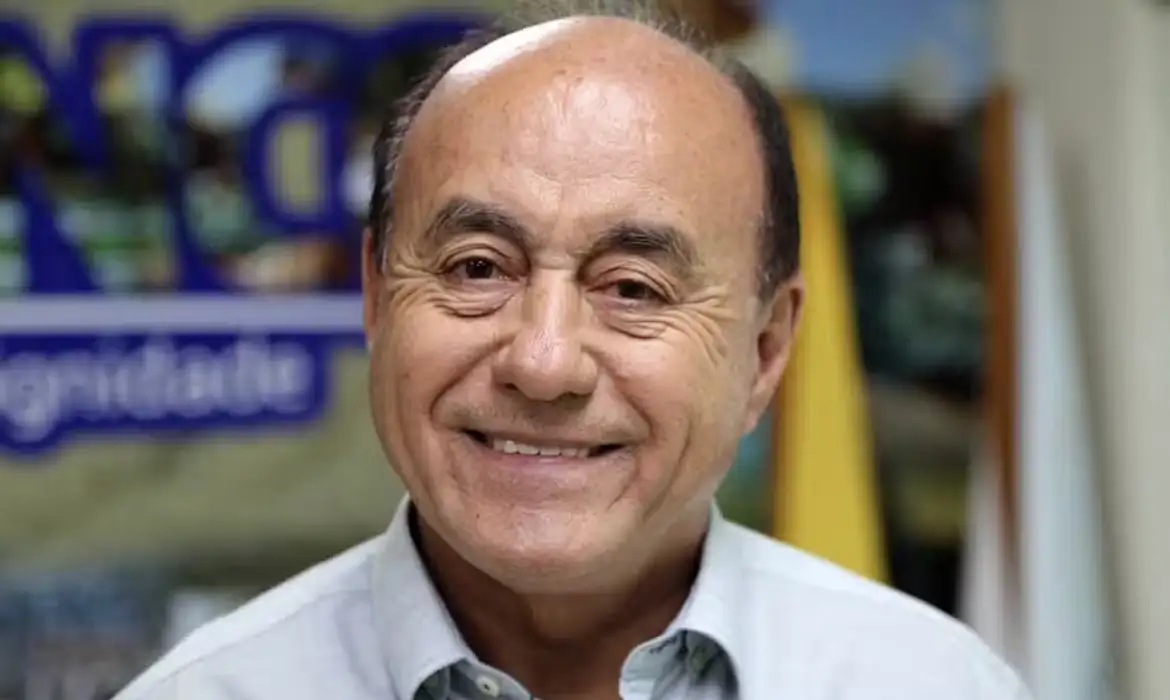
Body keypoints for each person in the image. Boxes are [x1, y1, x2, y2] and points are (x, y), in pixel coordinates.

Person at [117, 2, 1033, 699]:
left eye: (633, 288)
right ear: (377, 296)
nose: (544, 362)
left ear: (764, 349)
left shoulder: (929, 683)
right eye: (478, 268)